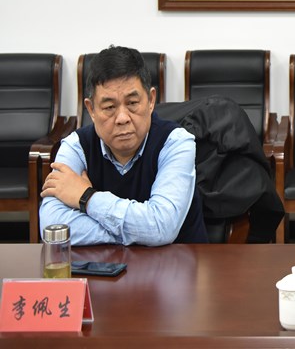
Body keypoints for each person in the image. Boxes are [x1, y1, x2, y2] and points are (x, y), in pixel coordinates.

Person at [40, 46, 207, 245]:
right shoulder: (75, 147)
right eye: (109, 107)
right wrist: (139, 234)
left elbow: (161, 227)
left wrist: (87, 197)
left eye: (132, 103)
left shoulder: (176, 143)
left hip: (176, 262)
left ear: (151, 100)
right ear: (91, 109)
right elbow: (52, 227)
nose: (122, 118)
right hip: (99, 264)